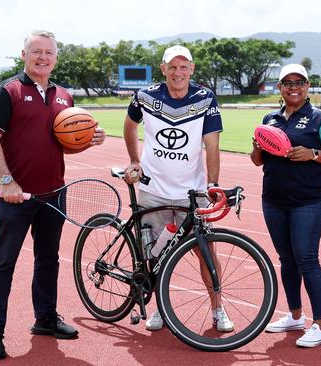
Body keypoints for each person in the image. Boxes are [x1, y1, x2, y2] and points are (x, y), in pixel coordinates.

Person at [0, 30, 106, 359]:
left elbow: (64, 145)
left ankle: (45, 318)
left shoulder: (65, 96)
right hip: (15, 198)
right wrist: (6, 181)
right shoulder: (6, 92)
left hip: (54, 194)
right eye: (36, 51)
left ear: (55, 58)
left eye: (49, 52)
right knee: (3, 264)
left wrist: (86, 140)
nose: (43, 57)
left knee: (48, 261)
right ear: (24, 55)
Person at [123, 45, 233, 333]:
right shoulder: (145, 95)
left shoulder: (205, 97)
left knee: (206, 251)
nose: (178, 72)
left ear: (192, 69)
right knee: (156, 254)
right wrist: (135, 160)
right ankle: (160, 308)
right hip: (153, 189)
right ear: (163, 69)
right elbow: (129, 125)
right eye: (172, 66)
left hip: (191, 191)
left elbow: (212, 143)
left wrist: (212, 183)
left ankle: (218, 310)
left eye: (184, 66)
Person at [251, 64, 321, 348]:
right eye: (287, 83)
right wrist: (257, 145)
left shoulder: (319, 118)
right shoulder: (270, 118)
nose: (293, 87)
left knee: (307, 258)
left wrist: (312, 153)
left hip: (308, 201)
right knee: (287, 260)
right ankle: (294, 316)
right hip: (274, 200)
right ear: (280, 87)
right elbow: (258, 160)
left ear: (307, 86)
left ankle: (320, 324)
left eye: (299, 82)